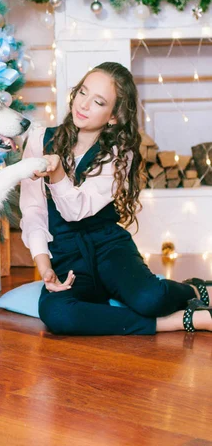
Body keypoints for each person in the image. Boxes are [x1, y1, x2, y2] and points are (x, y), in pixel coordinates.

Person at [19, 62, 212, 335]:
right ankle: (181, 321)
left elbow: (77, 210)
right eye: (82, 93)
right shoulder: (40, 139)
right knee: (57, 314)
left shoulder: (119, 154)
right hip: (65, 254)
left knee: (150, 299)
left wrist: (59, 173)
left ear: (113, 116)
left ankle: (197, 289)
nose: (83, 105)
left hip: (109, 247)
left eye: (97, 101)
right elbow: (33, 208)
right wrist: (44, 265)